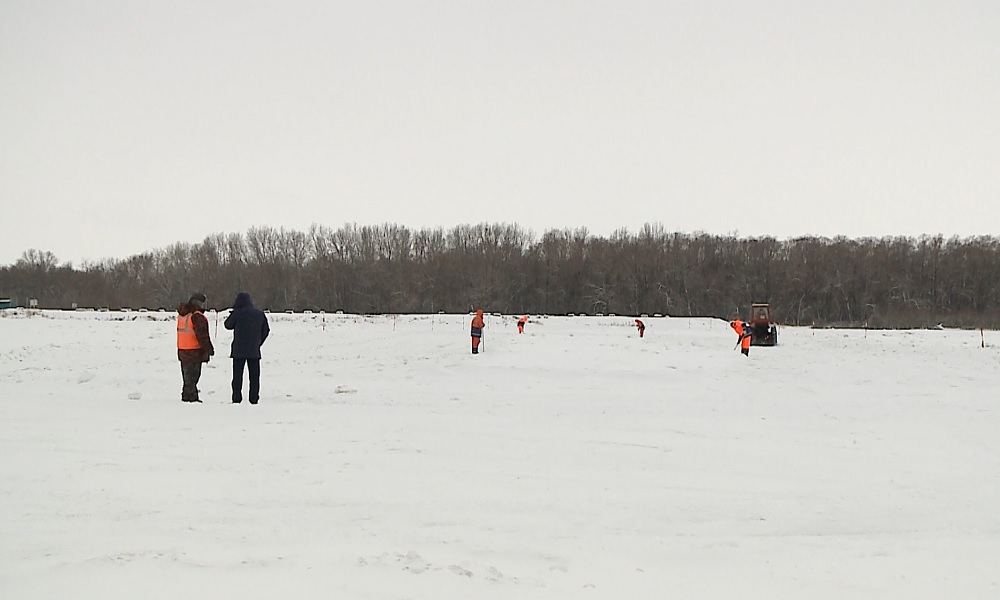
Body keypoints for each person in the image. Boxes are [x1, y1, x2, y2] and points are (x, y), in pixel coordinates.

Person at [224, 292, 270, 404]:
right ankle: (254, 398)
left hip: (238, 350)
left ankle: (236, 398)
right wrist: (258, 342)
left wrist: (233, 313)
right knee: (254, 377)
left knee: (237, 376)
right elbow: (266, 330)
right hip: (254, 350)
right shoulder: (259, 314)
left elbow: (227, 325)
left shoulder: (237, 313)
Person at [177, 292, 214, 402]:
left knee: (187, 377)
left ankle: (187, 396)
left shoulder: (183, 315)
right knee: (193, 377)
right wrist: (209, 349)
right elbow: (202, 335)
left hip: (182, 350)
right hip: (194, 351)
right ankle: (191, 398)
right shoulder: (197, 316)